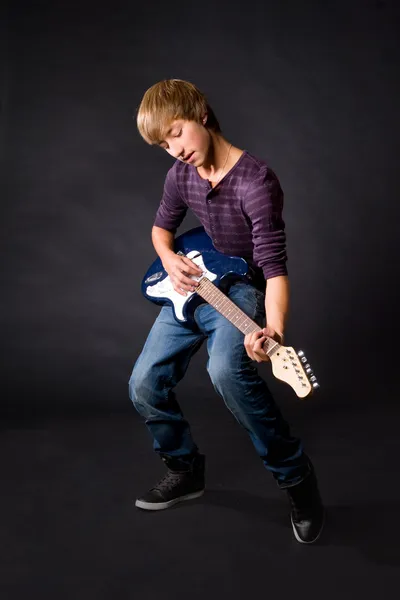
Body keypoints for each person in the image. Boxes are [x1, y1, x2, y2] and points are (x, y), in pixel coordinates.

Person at [129, 79, 325, 544]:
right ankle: (185, 470)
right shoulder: (180, 175)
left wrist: (272, 331)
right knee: (142, 384)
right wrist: (171, 257)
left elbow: (274, 269)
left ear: (200, 113)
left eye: (175, 133)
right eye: (163, 144)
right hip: (194, 282)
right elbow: (161, 230)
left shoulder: (256, 182)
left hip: (239, 292)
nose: (174, 150)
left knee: (227, 373)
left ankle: (297, 480)